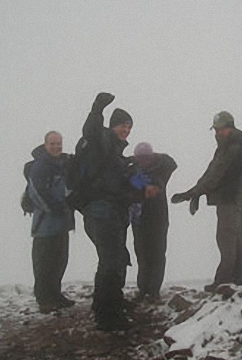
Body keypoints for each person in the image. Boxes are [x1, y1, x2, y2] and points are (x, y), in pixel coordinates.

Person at [75, 92, 152, 331]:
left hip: (113, 213)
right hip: (100, 211)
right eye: (122, 125)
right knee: (111, 260)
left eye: (129, 126)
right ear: (112, 125)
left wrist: (146, 187)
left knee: (114, 260)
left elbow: (128, 180)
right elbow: (90, 132)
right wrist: (97, 108)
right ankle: (108, 316)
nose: (126, 130)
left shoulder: (118, 156)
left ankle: (108, 304)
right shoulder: (102, 142)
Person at [172, 111, 242, 292]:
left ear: (230, 127)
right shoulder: (232, 146)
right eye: (215, 130)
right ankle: (240, 278)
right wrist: (196, 193)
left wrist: (192, 193)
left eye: (220, 129)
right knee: (236, 236)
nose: (217, 133)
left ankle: (224, 280)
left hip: (230, 198)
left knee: (226, 237)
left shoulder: (233, 148)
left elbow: (215, 176)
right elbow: (211, 173)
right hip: (236, 198)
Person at [27, 131, 76, 313]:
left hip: (61, 223)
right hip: (45, 225)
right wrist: (57, 207)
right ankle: (44, 299)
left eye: (59, 143)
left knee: (59, 261)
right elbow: (37, 193)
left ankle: (55, 294)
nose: (56, 147)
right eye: (53, 143)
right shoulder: (40, 166)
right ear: (45, 144)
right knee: (44, 263)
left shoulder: (61, 164)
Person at [130, 142, 177, 302]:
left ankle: (154, 290)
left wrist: (155, 157)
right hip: (139, 218)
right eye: (140, 159)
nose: (144, 162)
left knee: (157, 253)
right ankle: (143, 289)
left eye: (147, 158)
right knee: (142, 253)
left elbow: (171, 162)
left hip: (158, 217)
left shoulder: (162, 170)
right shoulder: (132, 172)